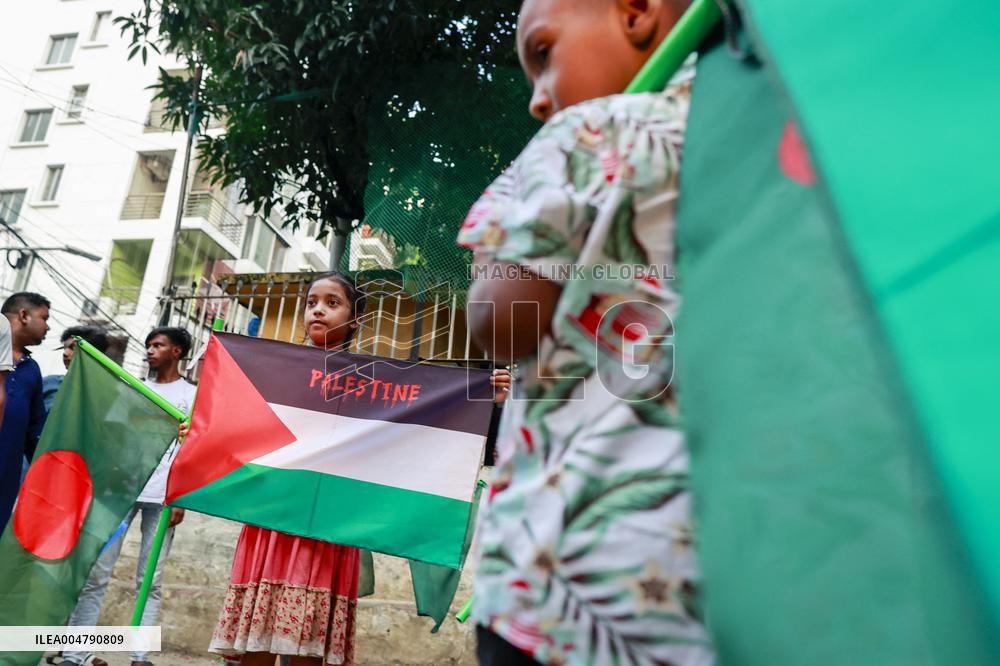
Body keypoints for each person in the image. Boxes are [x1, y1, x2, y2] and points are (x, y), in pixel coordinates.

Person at [458, 0, 712, 664]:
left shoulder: (583, 135)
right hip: (701, 595)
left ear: (636, 12)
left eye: (543, 56)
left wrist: (494, 257)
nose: (540, 101)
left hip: (557, 580)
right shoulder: (760, 139)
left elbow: (503, 324)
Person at [203, 271, 510, 666]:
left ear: (355, 319)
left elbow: (422, 437)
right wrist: (202, 433)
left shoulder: (376, 382)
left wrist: (488, 402)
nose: (319, 309)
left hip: (330, 530)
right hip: (271, 523)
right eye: (312, 301)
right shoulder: (273, 371)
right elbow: (240, 428)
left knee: (308, 651)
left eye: (333, 303)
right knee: (254, 650)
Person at [61, 327, 197, 666]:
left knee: (149, 580)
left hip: (164, 497)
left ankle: (140, 655)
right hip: (119, 493)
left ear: (177, 351)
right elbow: (113, 439)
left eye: (158, 345)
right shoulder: (132, 389)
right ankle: (74, 653)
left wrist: (181, 497)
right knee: (95, 574)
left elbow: (194, 450)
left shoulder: (193, 395)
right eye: (148, 345)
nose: (149, 350)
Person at [0, 292, 49, 534]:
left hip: (4, 479)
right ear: (23, 316)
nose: (48, 326)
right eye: (44, 318)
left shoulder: (31, 370)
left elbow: (35, 431)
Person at [42, 325, 110, 412]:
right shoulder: (49, 383)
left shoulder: (107, 395)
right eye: (65, 348)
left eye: (73, 348)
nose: (65, 353)